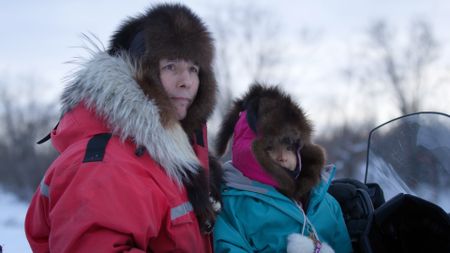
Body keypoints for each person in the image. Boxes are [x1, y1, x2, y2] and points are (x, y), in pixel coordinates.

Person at [25, 3, 221, 252]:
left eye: (193, 69)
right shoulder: (103, 163)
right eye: (170, 66)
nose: (186, 82)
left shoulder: (176, 155)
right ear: (140, 71)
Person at [213, 84, 352, 253]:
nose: (283, 157)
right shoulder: (235, 206)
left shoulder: (325, 203)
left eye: (288, 147)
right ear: (250, 153)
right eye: (271, 148)